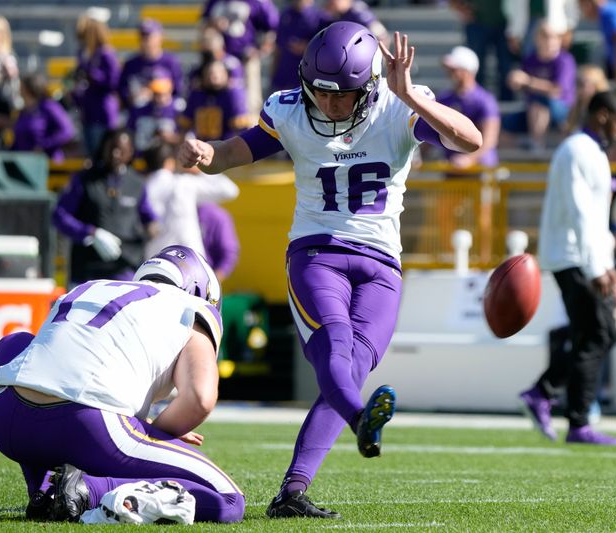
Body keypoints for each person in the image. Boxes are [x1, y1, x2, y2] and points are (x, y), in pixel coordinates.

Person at [178, 22, 482, 518]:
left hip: (382, 264)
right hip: (316, 253)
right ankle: (362, 420)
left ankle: (292, 493)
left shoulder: (396, 105)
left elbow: (470, 142)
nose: (331, 104)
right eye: (321, 91)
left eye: (343, 95)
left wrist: (410, 95)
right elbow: (241, 149)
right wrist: (210, 155)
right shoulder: (291, 111)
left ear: (369, 86)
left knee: (350, 367)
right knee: (336, 352)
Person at [0, 245, 245, 524]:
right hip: (87, 427)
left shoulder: (86, 288)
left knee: (17, 342)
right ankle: (89, 491)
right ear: (201, 291)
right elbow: (200, 398)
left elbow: (13, 350)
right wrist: (154, 432)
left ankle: (45, 488)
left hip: (6, 421)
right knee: (230, 501)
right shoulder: (192, 307)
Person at [519, 90, 616, 447]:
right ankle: (575, 419)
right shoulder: (578, 150)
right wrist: (598, 266)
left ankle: (545, 394)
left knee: (595, 332)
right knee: (598, 333)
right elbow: (582, 212)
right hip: (574, 257)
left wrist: (606, 263)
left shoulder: (590, 151)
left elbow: (595, 218)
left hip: (583, 257)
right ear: (600, 115)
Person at [52, 128, 159, 285]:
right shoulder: (85, 179)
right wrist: (89, 233)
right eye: (112, 149)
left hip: (124, 266)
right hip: (86, 268)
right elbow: (59, 216)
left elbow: (148, 217)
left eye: (121, 150)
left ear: (130, 152)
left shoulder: (136, 183)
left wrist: (153, 229)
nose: (115, 155)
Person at [142, 140, 239, 258]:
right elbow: (230, 190)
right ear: (169, 162)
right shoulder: (183, 183)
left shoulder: (140, 187)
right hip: (189, 259)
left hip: (153, 259)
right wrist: (199, 170)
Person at [503, 20, 576, 153]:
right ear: (537, 38)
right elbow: (524, 86)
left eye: (553, 36)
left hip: (562, 109)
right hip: (532, 111)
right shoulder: (530, 59)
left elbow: (557, 90)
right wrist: (515, 82)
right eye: (545, 36)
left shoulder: (564, 60)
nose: (549, 41)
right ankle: (522, 148)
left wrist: (528, 81)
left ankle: (537, 145)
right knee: (503, 121)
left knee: (539, 101)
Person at [72, 10, 121, 156]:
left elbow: (114, 83)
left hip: (103, 113)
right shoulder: (84, 54)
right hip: (87, 113)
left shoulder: (106, 54)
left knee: (103, 154)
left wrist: (93, 76)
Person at [12, 73, 75, 161]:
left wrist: (45, 146)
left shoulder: (48, 106)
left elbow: (67, 131)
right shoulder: (23, 112)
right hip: (24, 163)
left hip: (47, 162)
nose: (19, 90)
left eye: (22, 87)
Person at [198, 202, 240, 282]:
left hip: (204, 279)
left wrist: (212, 283)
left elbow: (229, 253)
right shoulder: (174, 212)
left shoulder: (216, 216)